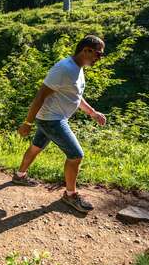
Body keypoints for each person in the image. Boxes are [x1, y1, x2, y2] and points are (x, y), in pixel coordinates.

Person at [14, 35, 107, 213]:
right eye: (98, 54)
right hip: (52, 119)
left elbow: (76, 96)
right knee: (76, 155)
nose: (99, 58)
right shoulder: (64, 68)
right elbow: (40, 95)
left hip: (52, 118)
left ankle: (19, 176)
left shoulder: (78, 69)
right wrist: (27, 122)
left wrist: (93, 113)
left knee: (36, 147)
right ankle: (70, 195)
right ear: (86, 50)